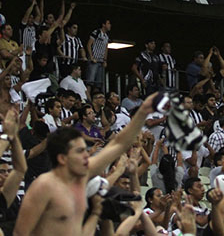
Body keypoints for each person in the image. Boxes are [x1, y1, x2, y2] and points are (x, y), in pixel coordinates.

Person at [14, 95, 156, 235]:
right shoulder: (42, 187)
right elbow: (21, 233)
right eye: (80, 151)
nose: (86, 155)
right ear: (63, 158)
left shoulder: (82, 175)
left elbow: (119, 144)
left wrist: (142, 112)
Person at [85, 18, 110, 90]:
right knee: (90, 81)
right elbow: (89, 44)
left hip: (101, 61)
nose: (109, 25)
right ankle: (88, 97)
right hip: (94, 60)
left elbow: (106, 49)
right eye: (108, 23)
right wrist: (91, 57)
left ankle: (97, 97)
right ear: (103, 24)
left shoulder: (106, 36)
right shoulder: (96, 32)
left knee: (98, 83)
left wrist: (105, 60)